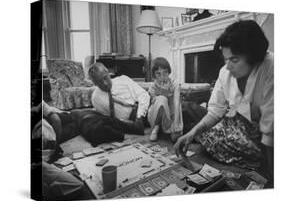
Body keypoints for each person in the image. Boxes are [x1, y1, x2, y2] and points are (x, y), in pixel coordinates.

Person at [174, 20, 273, 177]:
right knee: (203, 130)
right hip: (239, 125)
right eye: (226, 60)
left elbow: (270, 128)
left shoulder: (271, 68)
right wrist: (191, 133)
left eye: (234, 60)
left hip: (266, 134)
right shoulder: (225, 72)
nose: (228, 66)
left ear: (254, 56)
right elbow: (215, 111)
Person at [88, 62, 150, 135]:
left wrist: (139, 117)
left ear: (108, 73)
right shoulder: (96, 98)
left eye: (105, 77)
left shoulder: (123, 79)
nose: (105, 83)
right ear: (95, 83)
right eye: (99, 82)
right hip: (127, 121)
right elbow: (109, 118)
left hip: (143, 109)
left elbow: (143, 95)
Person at [147, 57, 183, 142]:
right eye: (158, 74)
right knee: (162, 99)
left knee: (175, 138)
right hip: (157, 115)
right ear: (154, 75)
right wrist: (163, 91)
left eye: (165, 72)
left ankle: (169, 127)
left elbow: (177, 102)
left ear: (168, 72)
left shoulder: (175, 83)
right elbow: (155, 105)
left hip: (172, 113)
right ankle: (156, 128)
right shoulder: (152, 87)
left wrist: (176, 122)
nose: (162, 76)